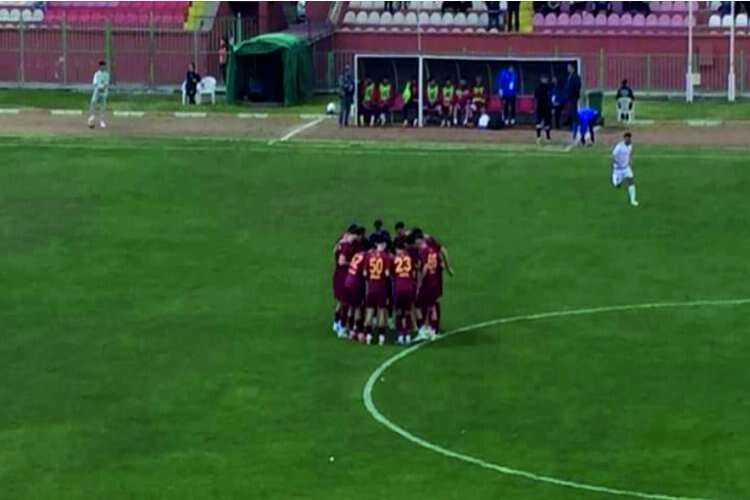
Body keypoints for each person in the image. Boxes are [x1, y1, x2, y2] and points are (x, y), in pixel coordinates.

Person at [363, 236, 391, 345]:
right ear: (383, 244)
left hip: (371, 287)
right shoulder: (385, 257)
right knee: (381, 311)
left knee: (369, 311)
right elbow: (387, 274)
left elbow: (365, 273)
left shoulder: (369, 256)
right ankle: (381, 337)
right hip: (381, 287)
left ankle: (368, 336)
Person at [391, 239, 417, 345]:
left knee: (398, 312)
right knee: (407, 312)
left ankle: (400, 336)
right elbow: (414, 274)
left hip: (398, 288)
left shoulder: (394, 259)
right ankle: (408, 335)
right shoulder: (410, 259)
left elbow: (391, 275)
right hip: (409, 287)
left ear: (397, 249)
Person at [611, 131, 639, 207]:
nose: (628, 140)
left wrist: (631, 161)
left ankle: (633, 201)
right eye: (627, 138)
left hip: (626, 168)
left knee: (631, 181)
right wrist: (615, 163)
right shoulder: (619, 146)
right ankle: (616, 180)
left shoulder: (630, 146)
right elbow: (613, 156)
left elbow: (630, 154)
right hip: (618, 169)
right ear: (624, 138)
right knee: (617, 185)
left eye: (629, 138)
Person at [87, 60, 109, 129]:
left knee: (103, 106)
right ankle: (92, 117)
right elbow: (95, 83)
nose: (103, 67)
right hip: (96, 92)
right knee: (93, 103)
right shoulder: (96, 74)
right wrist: (100, 87)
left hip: (103, 92)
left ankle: (102, 121)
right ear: (99, 67)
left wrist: (104, 88)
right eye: (101, 66)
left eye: (104, 66)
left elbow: (106, 84)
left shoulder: (107, 74)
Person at [534, 75, 552, 144]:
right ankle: (543, 137)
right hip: (544, 107)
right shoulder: (548, 87)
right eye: (545, 79)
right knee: (543, 123)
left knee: (542, 122)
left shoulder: (538, 87)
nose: (545, 80)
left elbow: (535, 96)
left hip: (541, 107)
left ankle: (542, 137)